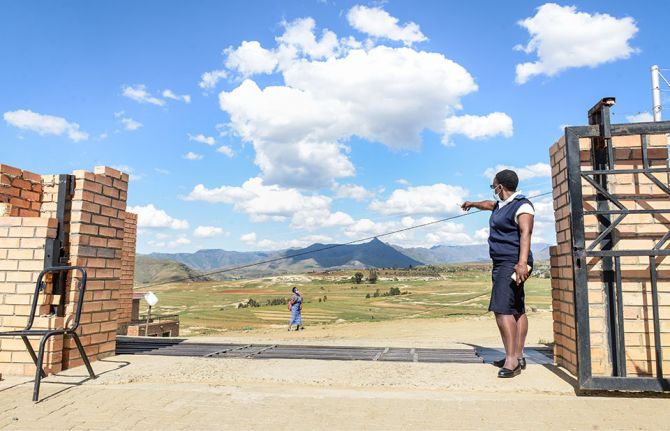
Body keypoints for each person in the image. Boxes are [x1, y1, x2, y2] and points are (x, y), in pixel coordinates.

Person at [461, 169, 534, 378]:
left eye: (494, 186)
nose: (493, 190)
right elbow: (488, 204)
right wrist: (472, 204)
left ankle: (512, 361)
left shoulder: (523, 205)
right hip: (504, 262)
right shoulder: (502, 205)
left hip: (512, 263)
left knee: (502, 310)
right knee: (516, 308)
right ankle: (518, 355)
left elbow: (525, 233)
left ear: (500, 187)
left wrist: (521, 263)